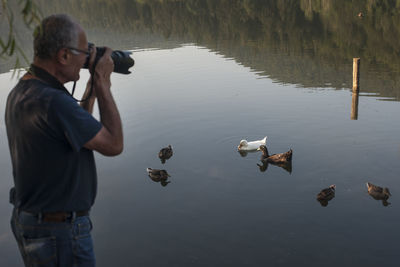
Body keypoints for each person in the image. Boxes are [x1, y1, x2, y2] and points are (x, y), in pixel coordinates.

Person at [5, 14, 123, 267]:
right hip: (58, 233)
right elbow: (113, 144)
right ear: (64, 56)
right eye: (83, 52)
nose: (86, 59)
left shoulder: (25, 92)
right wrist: (103, 83)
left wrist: (91, 87)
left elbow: (79, 129)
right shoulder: (53, 102)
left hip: (34, 223)